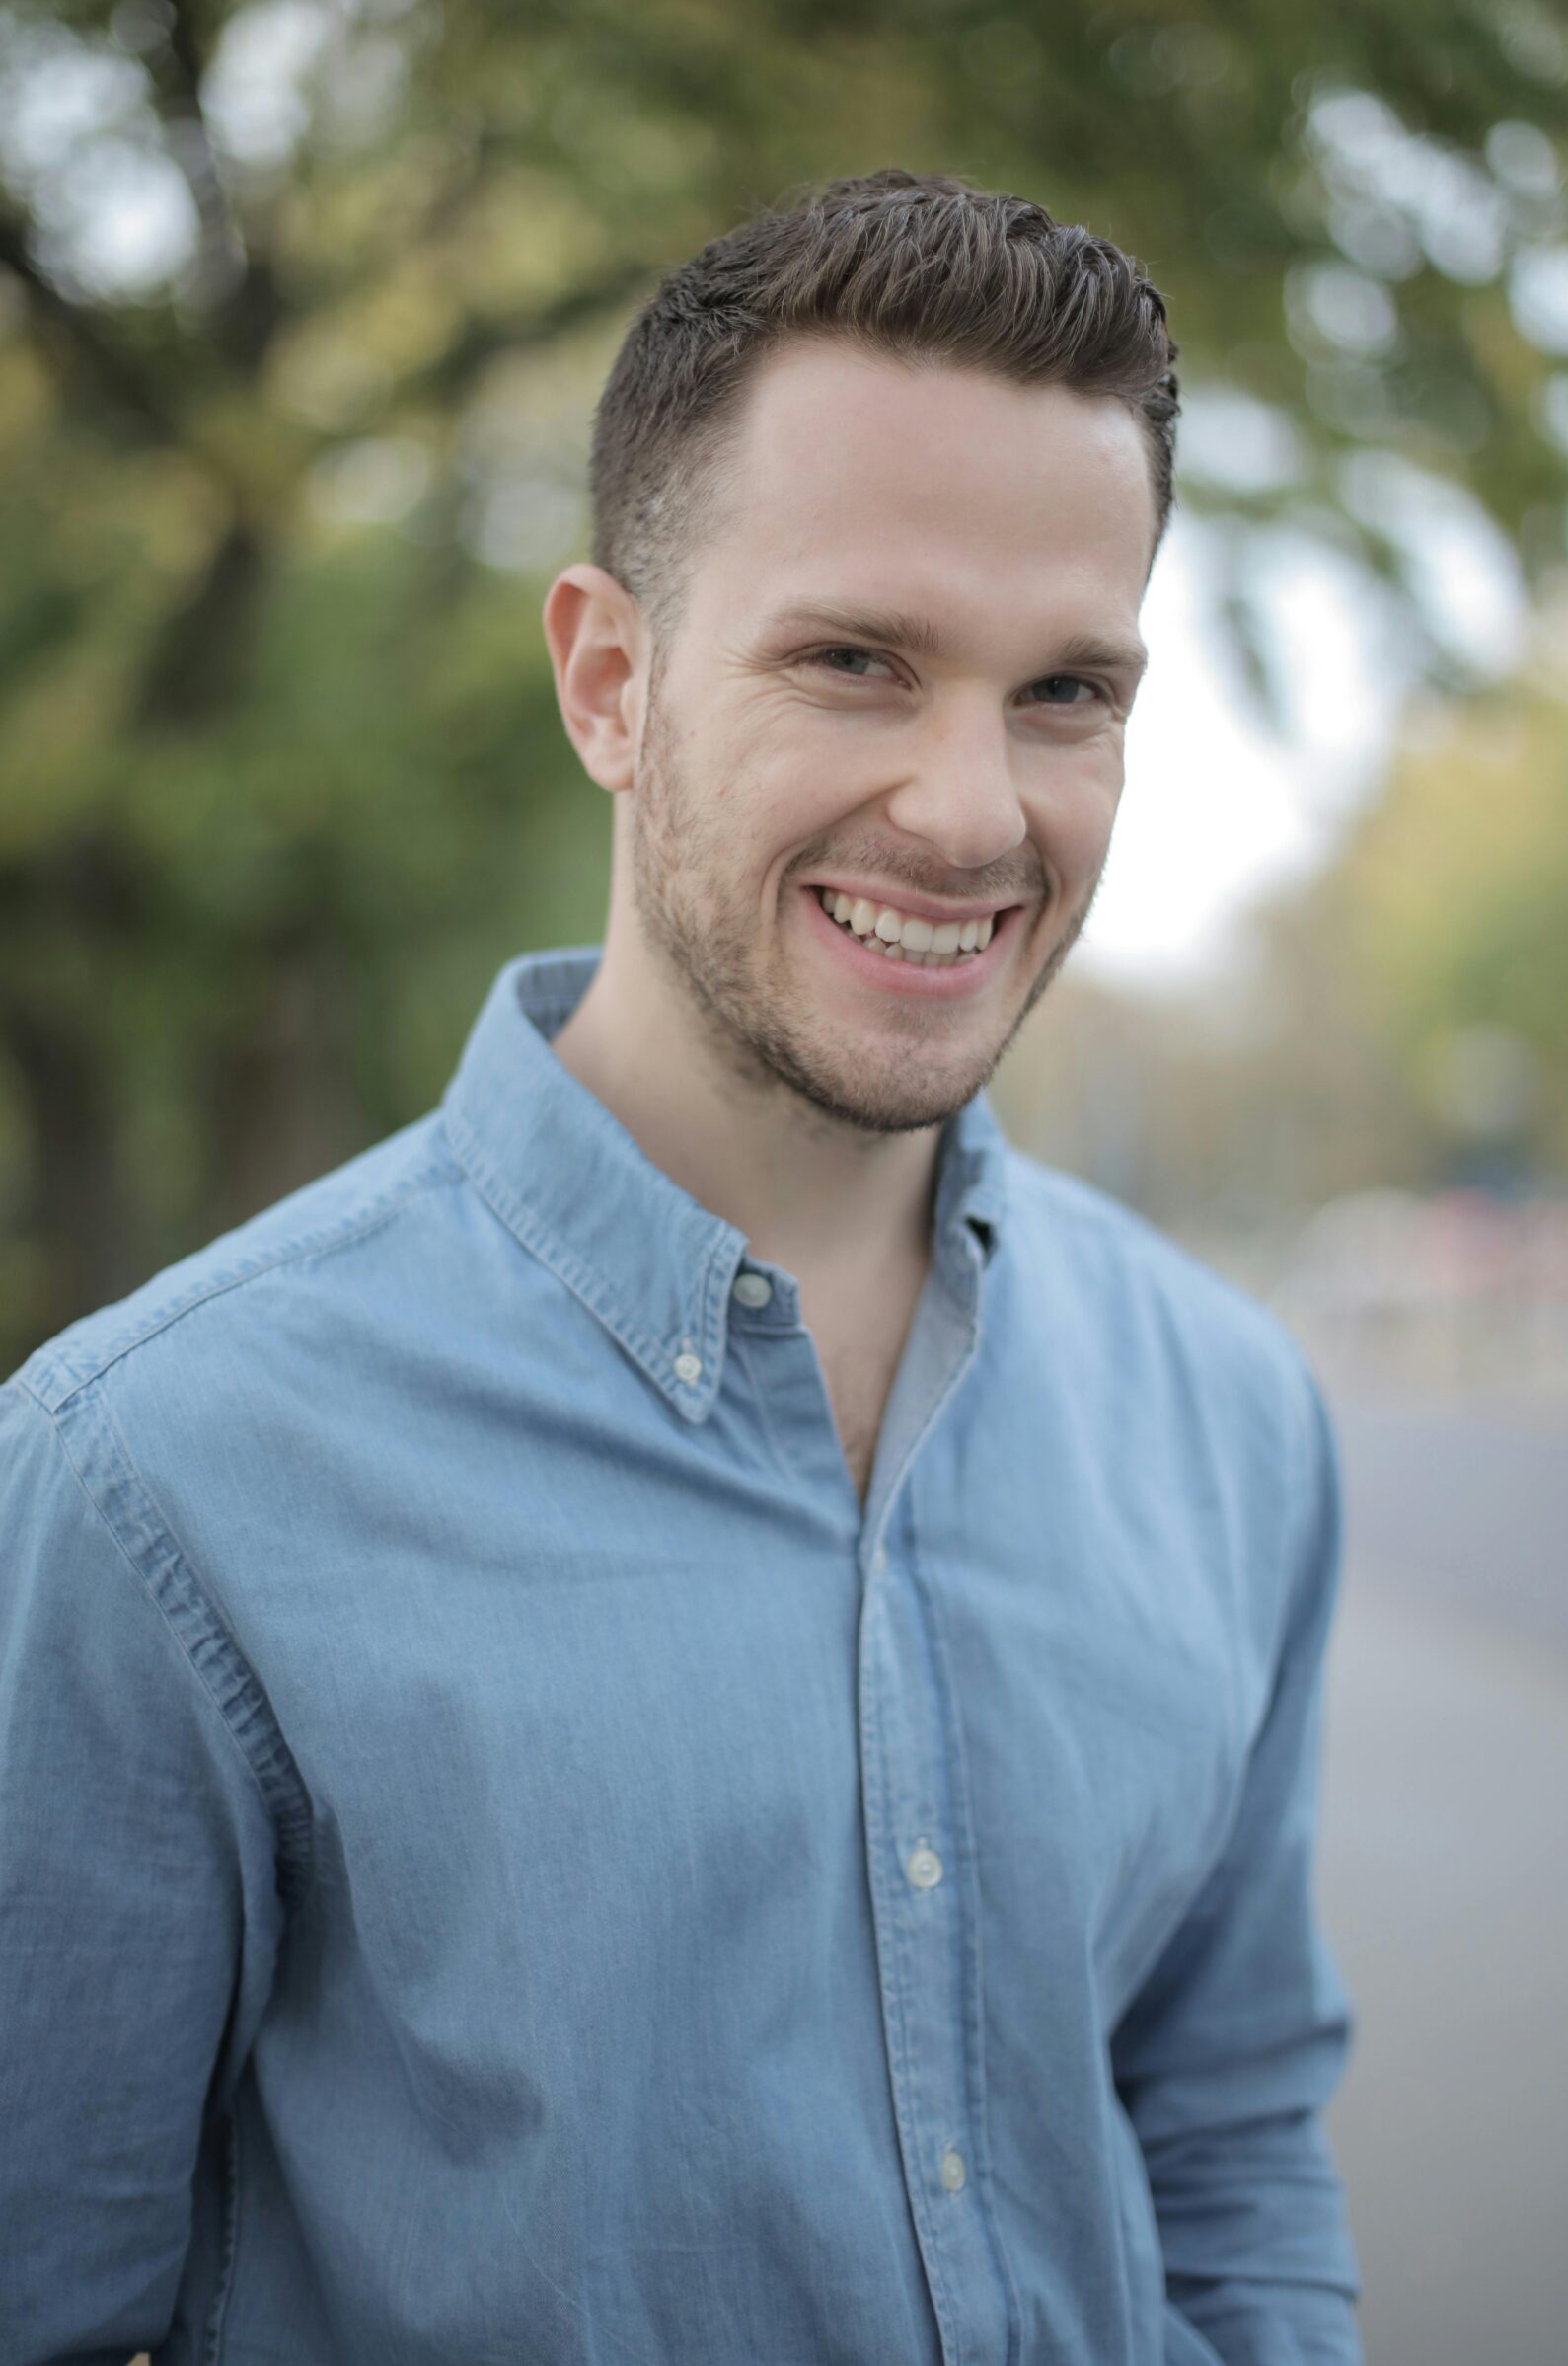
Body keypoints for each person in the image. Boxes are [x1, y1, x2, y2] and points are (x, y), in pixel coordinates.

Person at [0, 169, 1363, 2364]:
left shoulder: (1231, 1413)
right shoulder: (154, 1481)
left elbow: (1228, 2141)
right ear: (610, 682)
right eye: (854, 661)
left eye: (1062, 690)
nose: (970, 811)